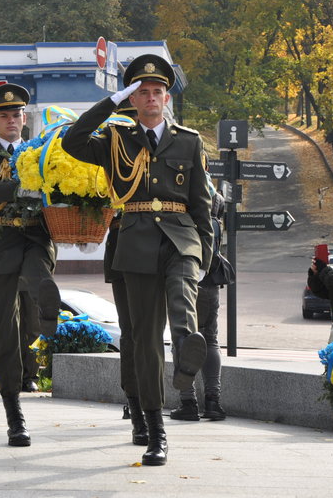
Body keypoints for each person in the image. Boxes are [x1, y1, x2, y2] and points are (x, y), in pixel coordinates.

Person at [61, 54, 213, 466]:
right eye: (142, 92)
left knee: (183, 293)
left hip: (181, 238)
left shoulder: (189, 140)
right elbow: (71, 142)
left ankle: (185, 347)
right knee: (144, 340)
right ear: (134, 98)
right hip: (136, 242)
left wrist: (208, 255)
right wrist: (112, 101)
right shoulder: (116, 139)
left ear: (167, 97)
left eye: (156, 91)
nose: (150, 98)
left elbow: (201, 206)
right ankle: (154, 429)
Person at [0, 83, 60, 447]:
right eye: (4, 115)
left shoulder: (41, 152)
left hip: (35, 237)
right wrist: (16, 188)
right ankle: (13, 414)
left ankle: (45, 300)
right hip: (0, 242)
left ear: (24, 118)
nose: (12, 120)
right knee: (4, 330)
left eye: (17, 114)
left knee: (38, 277)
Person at [105, 100, 147, 445]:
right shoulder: (110, 158)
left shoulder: (166, 145)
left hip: (161, 250)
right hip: (123, 251)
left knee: (147, 333)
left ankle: (148, 400)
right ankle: (134, 400)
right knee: (132, 332)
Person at [170, 190, 228, 421]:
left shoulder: (185, 215)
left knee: (182, 337)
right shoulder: (216, 216)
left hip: (186, 280)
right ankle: (213, 401)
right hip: (211, 284)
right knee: (211, 339)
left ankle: (188, 401)